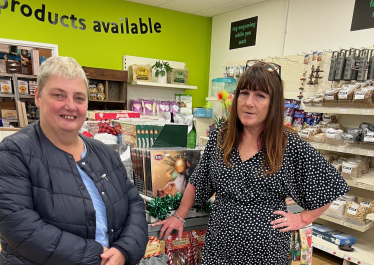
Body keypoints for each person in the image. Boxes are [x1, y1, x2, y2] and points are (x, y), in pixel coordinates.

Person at [153, 61, 350, 264]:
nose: (249, 102)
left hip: (267, 254)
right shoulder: (221, 137)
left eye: (260, 96)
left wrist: (302, 219)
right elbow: (198, 180)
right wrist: (179, 216)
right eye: (244, 93)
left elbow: (331, 184)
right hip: (219, 250)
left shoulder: (287, 145)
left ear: (272, 103)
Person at [0, 56, 148, 265]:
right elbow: (19, 226)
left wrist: (123, 250)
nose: (70, 106)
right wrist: (97, 258)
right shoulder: (14, 152)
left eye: (79, 98)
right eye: (59, 95)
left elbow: (134, 204)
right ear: (38, 97)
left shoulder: (104, 153)